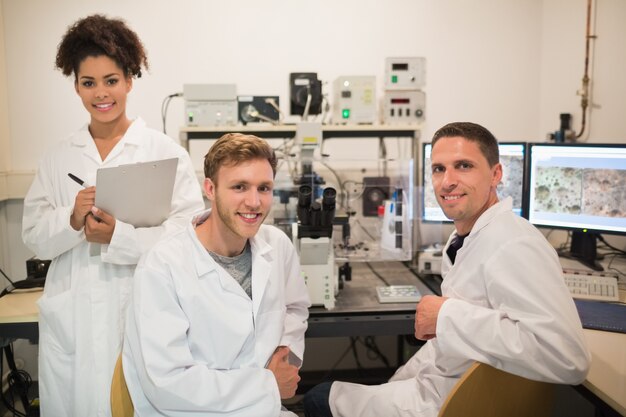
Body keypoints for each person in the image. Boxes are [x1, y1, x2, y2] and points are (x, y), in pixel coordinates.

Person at [303, 122, 591, 417]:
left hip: (459, 404)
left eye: (463, 166)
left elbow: (567, 358)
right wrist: (397, 381)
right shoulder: (463, 239)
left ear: (496, 174)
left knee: (315, 399)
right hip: (440, 387)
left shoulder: (514, 243)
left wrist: (446, 315)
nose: (447, 181)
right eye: (439, 169)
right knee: (344, 391)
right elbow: (445, 347)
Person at [21, 14, 205, 417]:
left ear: (129, 80)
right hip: (75, 322)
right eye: (89, 83)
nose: (101, 93)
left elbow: (188, 234)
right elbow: (33, 235)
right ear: (76, 86)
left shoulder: (162, 152)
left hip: (141, 307)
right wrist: (72, 220)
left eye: (111, 80)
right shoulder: (58, 157)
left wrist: (119, 237)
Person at [123, 133, 311, 416]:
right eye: (239, 187)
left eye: (264, 188)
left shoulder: (276, 245)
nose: (254, 202)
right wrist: (267, 384)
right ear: (210, 189)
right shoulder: (162, 266)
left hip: (262, 409)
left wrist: (284, 357)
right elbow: (167, 384)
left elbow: (295, 309)